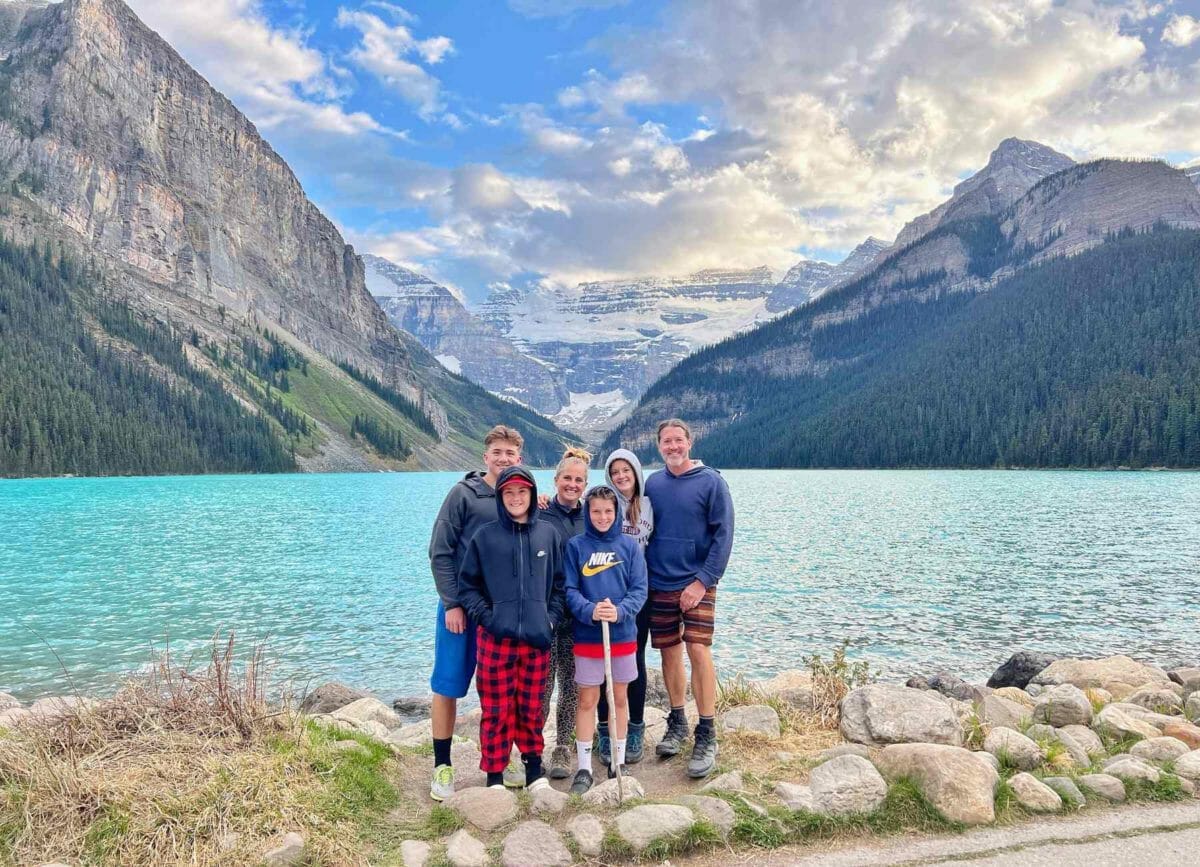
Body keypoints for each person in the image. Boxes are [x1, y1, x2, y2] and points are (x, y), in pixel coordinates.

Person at [426, 425, 524, 801]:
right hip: (460, 610)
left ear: (519, 458)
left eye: (510, 453)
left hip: (500, 612)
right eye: (497, 452)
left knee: (500, 689)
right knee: (447, 685)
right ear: (485, 456)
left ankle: (502, 758)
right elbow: (440, 552)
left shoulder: (520, 496)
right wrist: (452, 603)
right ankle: (442, 766)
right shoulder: (463, 495)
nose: (503, 458)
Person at [456, 465, 565, 791]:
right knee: (496, 709)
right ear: (500, 496)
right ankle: (495, 774)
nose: (516, 498)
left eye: (522, 492)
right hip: (495, 639)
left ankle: (533, 769)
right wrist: (488, 619)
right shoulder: (485, 537)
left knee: (531, 708)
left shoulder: (548, 534)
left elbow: (559, 586)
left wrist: (549, 620)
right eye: (509, 492)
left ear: (532, 494)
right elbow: (468, 587)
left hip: (536, 638)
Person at [645, 418, 734, 779]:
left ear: (689, 442)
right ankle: (678, 720)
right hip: (659, 582)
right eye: (666, 441)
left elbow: (724, 535)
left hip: (699, 582)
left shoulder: (712, 482)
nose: (673, 447)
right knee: (669, 652)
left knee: (698, 649)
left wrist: (703, 581)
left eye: (678, 440)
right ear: (659, 446)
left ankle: (707, 730)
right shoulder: (653, 483)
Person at [562, 485, 648, 794]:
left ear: (617, 513)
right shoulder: (576, 546)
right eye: (596, 511)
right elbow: (570, 590)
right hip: (588, 637)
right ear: (588, 512)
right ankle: (584, 767)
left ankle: (618, 761)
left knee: (619, 698)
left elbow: (639, 589)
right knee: (588, 699)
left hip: (622, 636)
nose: (602, 517)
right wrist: (590, 610)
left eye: (608, 511)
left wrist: (620, 611)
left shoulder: (629, 547)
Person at [594, 448, 654, 767]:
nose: (620, 476)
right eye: (614, 471)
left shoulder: (649, 505)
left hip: (637, 596)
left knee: (635, 660)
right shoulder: (604, 503)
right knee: (604, 660)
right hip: (606, 595)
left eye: (625, 470)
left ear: (636, 472)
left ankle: (635, 728)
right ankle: (605, 730)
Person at [537, 446, 590, 779]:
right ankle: (532, 748)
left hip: (577, 613)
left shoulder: (591, 517)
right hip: (544, 611)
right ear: (556, 480)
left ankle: (562, 749)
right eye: (567, 478)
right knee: (541, 686)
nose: (572, 484)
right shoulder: (540, 513)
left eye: (579, 480)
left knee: (571, 686)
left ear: (585, 484)